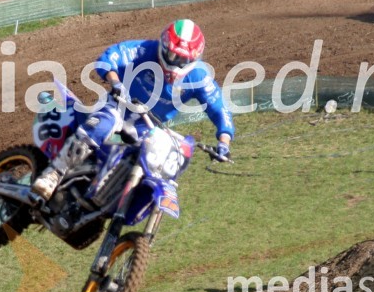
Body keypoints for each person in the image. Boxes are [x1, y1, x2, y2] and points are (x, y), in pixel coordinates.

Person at [31, 19, 235, 206]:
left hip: (147, 129)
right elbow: (108, 57)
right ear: (163, 46)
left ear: (194, 58)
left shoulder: (199, 76)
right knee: (105, 123)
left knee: (163, 161)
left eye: (182, 59)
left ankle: (111, 201)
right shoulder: (143, 50)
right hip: (118, 109)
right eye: (172, 55)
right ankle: (53, 173)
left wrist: (224, 143)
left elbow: (220, 109)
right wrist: (116, 83)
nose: (175, 62)